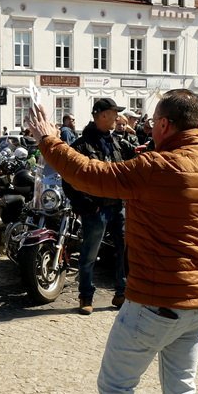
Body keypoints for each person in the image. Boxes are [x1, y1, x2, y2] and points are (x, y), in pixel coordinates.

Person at [25, 88, 198, 394]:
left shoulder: (159, 165)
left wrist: (49, 139)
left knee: (116, 386)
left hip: (157, 299)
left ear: (164, 125)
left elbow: (90, 175)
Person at [63, 98, 131, 315]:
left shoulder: (116, 142)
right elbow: (68, 179)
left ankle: (121, 293)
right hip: (96, 209)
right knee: (89, 255)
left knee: (123, 251)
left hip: (117, 206)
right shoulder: (82, 145)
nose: (117, 118)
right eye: (114, 113)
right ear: (102, 115)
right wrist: (85, 205)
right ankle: (86, 296)